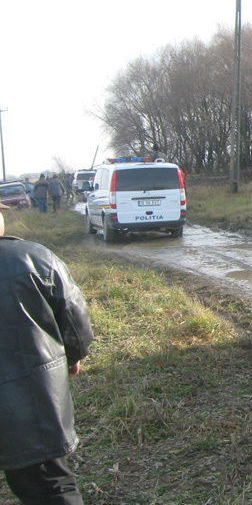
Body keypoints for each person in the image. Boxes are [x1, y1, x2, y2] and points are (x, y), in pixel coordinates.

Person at [1, 202, 94, 505]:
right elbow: (74, 315)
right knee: (50, 488)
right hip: (31, 404)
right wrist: (74, 356)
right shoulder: (36, 258)